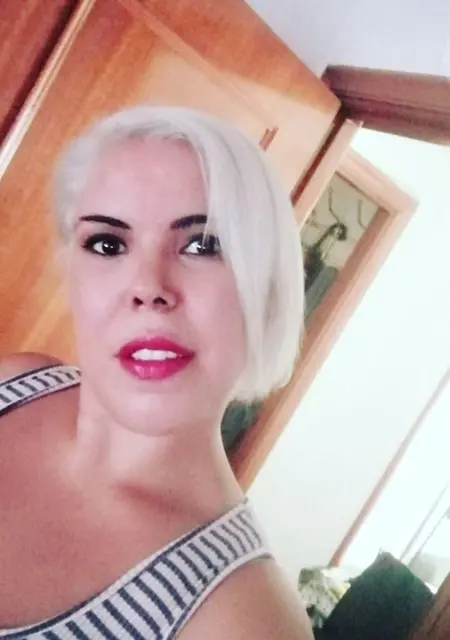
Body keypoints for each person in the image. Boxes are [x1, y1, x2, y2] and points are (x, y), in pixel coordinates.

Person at [0, 106, 312, 639]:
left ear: (266, 285)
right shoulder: (13, 383)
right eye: (107, 244)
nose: (148, 287)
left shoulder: (245, 619)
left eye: (203, 244)